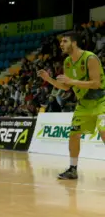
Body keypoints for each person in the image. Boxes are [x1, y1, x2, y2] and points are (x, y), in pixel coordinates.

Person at [38, 31, 105, 180]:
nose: (61, 44)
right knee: (74, 135)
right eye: (61, 42)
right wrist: (48, 79)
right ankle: (72, 169)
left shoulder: (90, 58)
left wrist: (72, 81)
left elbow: (96, 83)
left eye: (64, 41)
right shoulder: (68, 61)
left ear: (74, 43)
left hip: (102, 101)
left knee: (103, 133)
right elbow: (66, 87)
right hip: (83, 104)